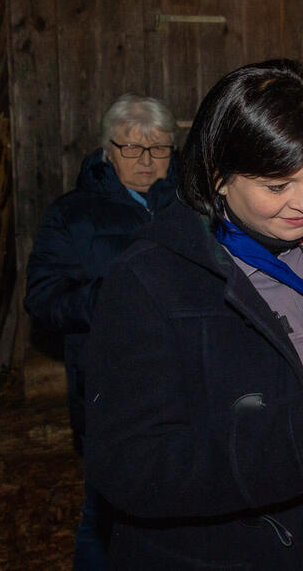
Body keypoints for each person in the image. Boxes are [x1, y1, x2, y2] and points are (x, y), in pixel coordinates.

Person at [84, 60, 303, 570]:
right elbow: (129, 465)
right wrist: (291, 438)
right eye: (277, 186)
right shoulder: (152, 278)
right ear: (218, 178)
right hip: (238, 547)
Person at [25, 94, 179, 570]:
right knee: (106, 513)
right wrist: (114, 297)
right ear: (108, 150)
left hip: (187, 384)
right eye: (133, 148)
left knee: (182, 511)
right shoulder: (72, 215)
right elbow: (44, 298)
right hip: (111, 389)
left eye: (159, 148)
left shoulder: (195, 208)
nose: (147, 161)